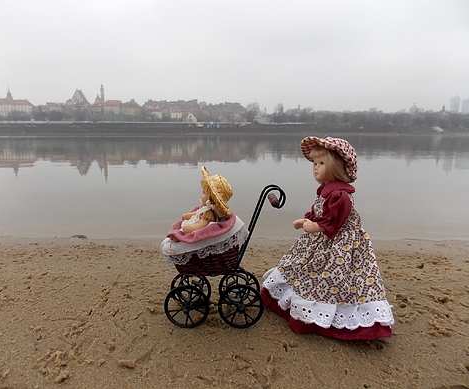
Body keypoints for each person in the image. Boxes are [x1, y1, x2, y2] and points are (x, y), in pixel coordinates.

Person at [261, 136, 394, 340]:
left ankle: (328, 318)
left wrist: (316, 226)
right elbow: (319, 211)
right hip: (322, 239)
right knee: (301, 265)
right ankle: (295, 303)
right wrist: (306, 220)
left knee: (332, 276)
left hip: (340, 244)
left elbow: (333, 221)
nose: (315, 168)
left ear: (336, 167)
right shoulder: (326, 190)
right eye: (314, 163)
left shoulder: (340, 195)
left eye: (321, 164)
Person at [160, 166, 247, 265]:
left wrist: (189, 228)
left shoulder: (209, 212)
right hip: (193, 221)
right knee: (180, 229)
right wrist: (187, 216)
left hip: (195, 227)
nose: (201, 195)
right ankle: (178, 236)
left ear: (212, 198)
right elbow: (196, 213)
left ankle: (179, 237)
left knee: (183, 233)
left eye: (204, 193)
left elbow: (201, 225)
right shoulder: (204, 208)